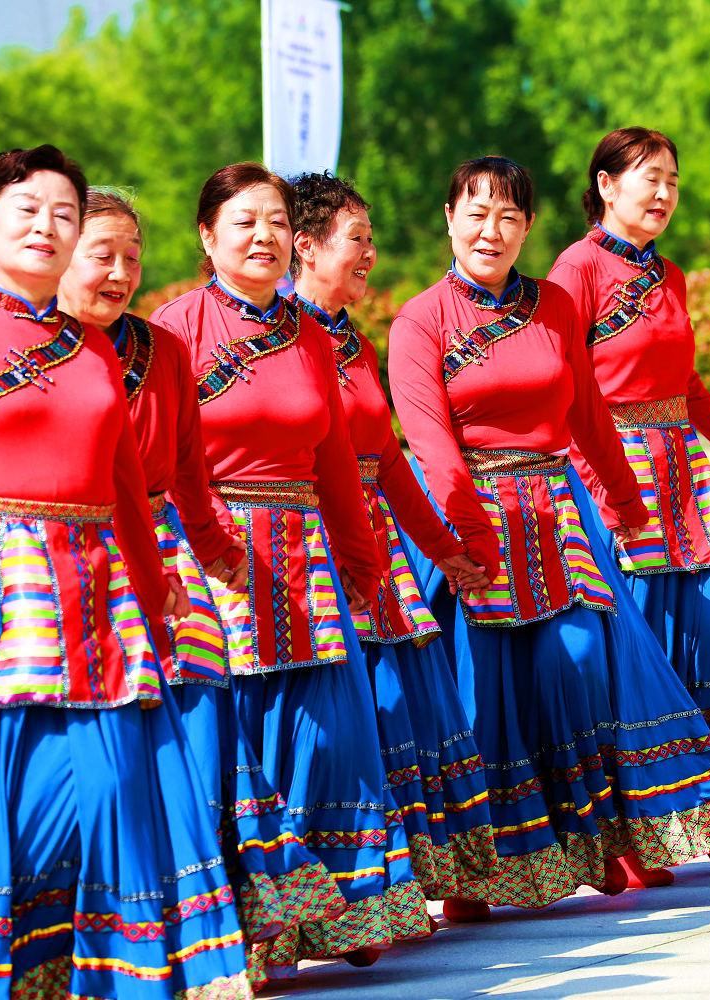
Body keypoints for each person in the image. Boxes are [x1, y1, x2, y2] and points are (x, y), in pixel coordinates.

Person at [0, 145, 247, 998]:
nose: (45, 226)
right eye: (26, 210)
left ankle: (119, 972)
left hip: (100, 591)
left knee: (118, 781)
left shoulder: (98, 355)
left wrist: (159, 588)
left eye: (63, 213)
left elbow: (126, 490)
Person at [388, 156, 710, 920]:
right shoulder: (421, 320)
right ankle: (478, 875)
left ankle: (588, 839)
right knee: (483, 697)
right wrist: (462, 529)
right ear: (449, 218)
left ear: (527, 227)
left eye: (510, 216)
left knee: (580, 662)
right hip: (469, 519)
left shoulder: (553, 305)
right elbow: (427, 437)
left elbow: (586, 411)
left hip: (557, 509)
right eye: (477, 213)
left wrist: (624, 500)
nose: (492, 230)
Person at [57, 187, 351, 975]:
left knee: (208, 743)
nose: (118, 272)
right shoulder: (25, 353)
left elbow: (188, 471)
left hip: (169, 561)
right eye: (100, 255)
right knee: (107, 763)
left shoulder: (161, 349)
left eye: (130, 256)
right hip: (64, 567)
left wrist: (214, 557)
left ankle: (228, 936)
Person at [150, 162, 432, 976]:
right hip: (211, 554)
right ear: (207, 237)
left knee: (330, 738)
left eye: (276, 220)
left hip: (304, 550)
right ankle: (251, 927)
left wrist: (362, 560)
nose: (265, 236)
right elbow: (151, 458)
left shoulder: (314, 337)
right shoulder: (175, 331)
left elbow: (339, 461)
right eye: (244, 222)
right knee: (241, 739)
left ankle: (343, 905)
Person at [545, 128, 710, 865]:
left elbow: (688, 391)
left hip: (683, 470)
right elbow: (566, 391)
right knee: (641, 652)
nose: (663, 194)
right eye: (648, 179)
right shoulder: (575, 271)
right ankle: (638, 831)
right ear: (605, 186)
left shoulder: (672, 276)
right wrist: (603, 492)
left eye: (672, 181)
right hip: (611, 469)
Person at [289, 171, 501, 899]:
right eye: (358, 239)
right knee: (340, 723)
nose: (370, 253)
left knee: (403, 712)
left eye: (371, 238)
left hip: (380, 552)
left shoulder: (350, 341)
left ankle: (399, 885)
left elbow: (388, 461)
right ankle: (329, 891)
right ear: (307, 247)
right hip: (311, 553)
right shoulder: (281, 338)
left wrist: (444, 548)